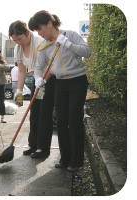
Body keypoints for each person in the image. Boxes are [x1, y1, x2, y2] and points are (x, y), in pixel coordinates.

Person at [28, 10, 91, 171]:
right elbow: (39, 67)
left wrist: (68, 44)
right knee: (61, 121)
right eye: (36, 31)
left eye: (39, 29)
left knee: (74, 119)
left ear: (49, 23)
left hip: (78, 81)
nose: (39, 34)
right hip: (60, 83)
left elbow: (87, 52)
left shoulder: (70, 35)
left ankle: (77, 161)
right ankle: (65, 159)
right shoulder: (44, 45)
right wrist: (38, 78)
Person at [8, 20, 55, 159]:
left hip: (50, 78)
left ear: (27, 33)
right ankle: (33, 144)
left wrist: (43, 81)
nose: (18, 42)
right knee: (34, 113)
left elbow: (51, 65)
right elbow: (22, 71)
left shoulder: (41, 42)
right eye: (15, 40)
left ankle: (43, 148)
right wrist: (19, 91)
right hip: (36, 78)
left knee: (44, 113)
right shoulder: (19, 49)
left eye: (20, 38)